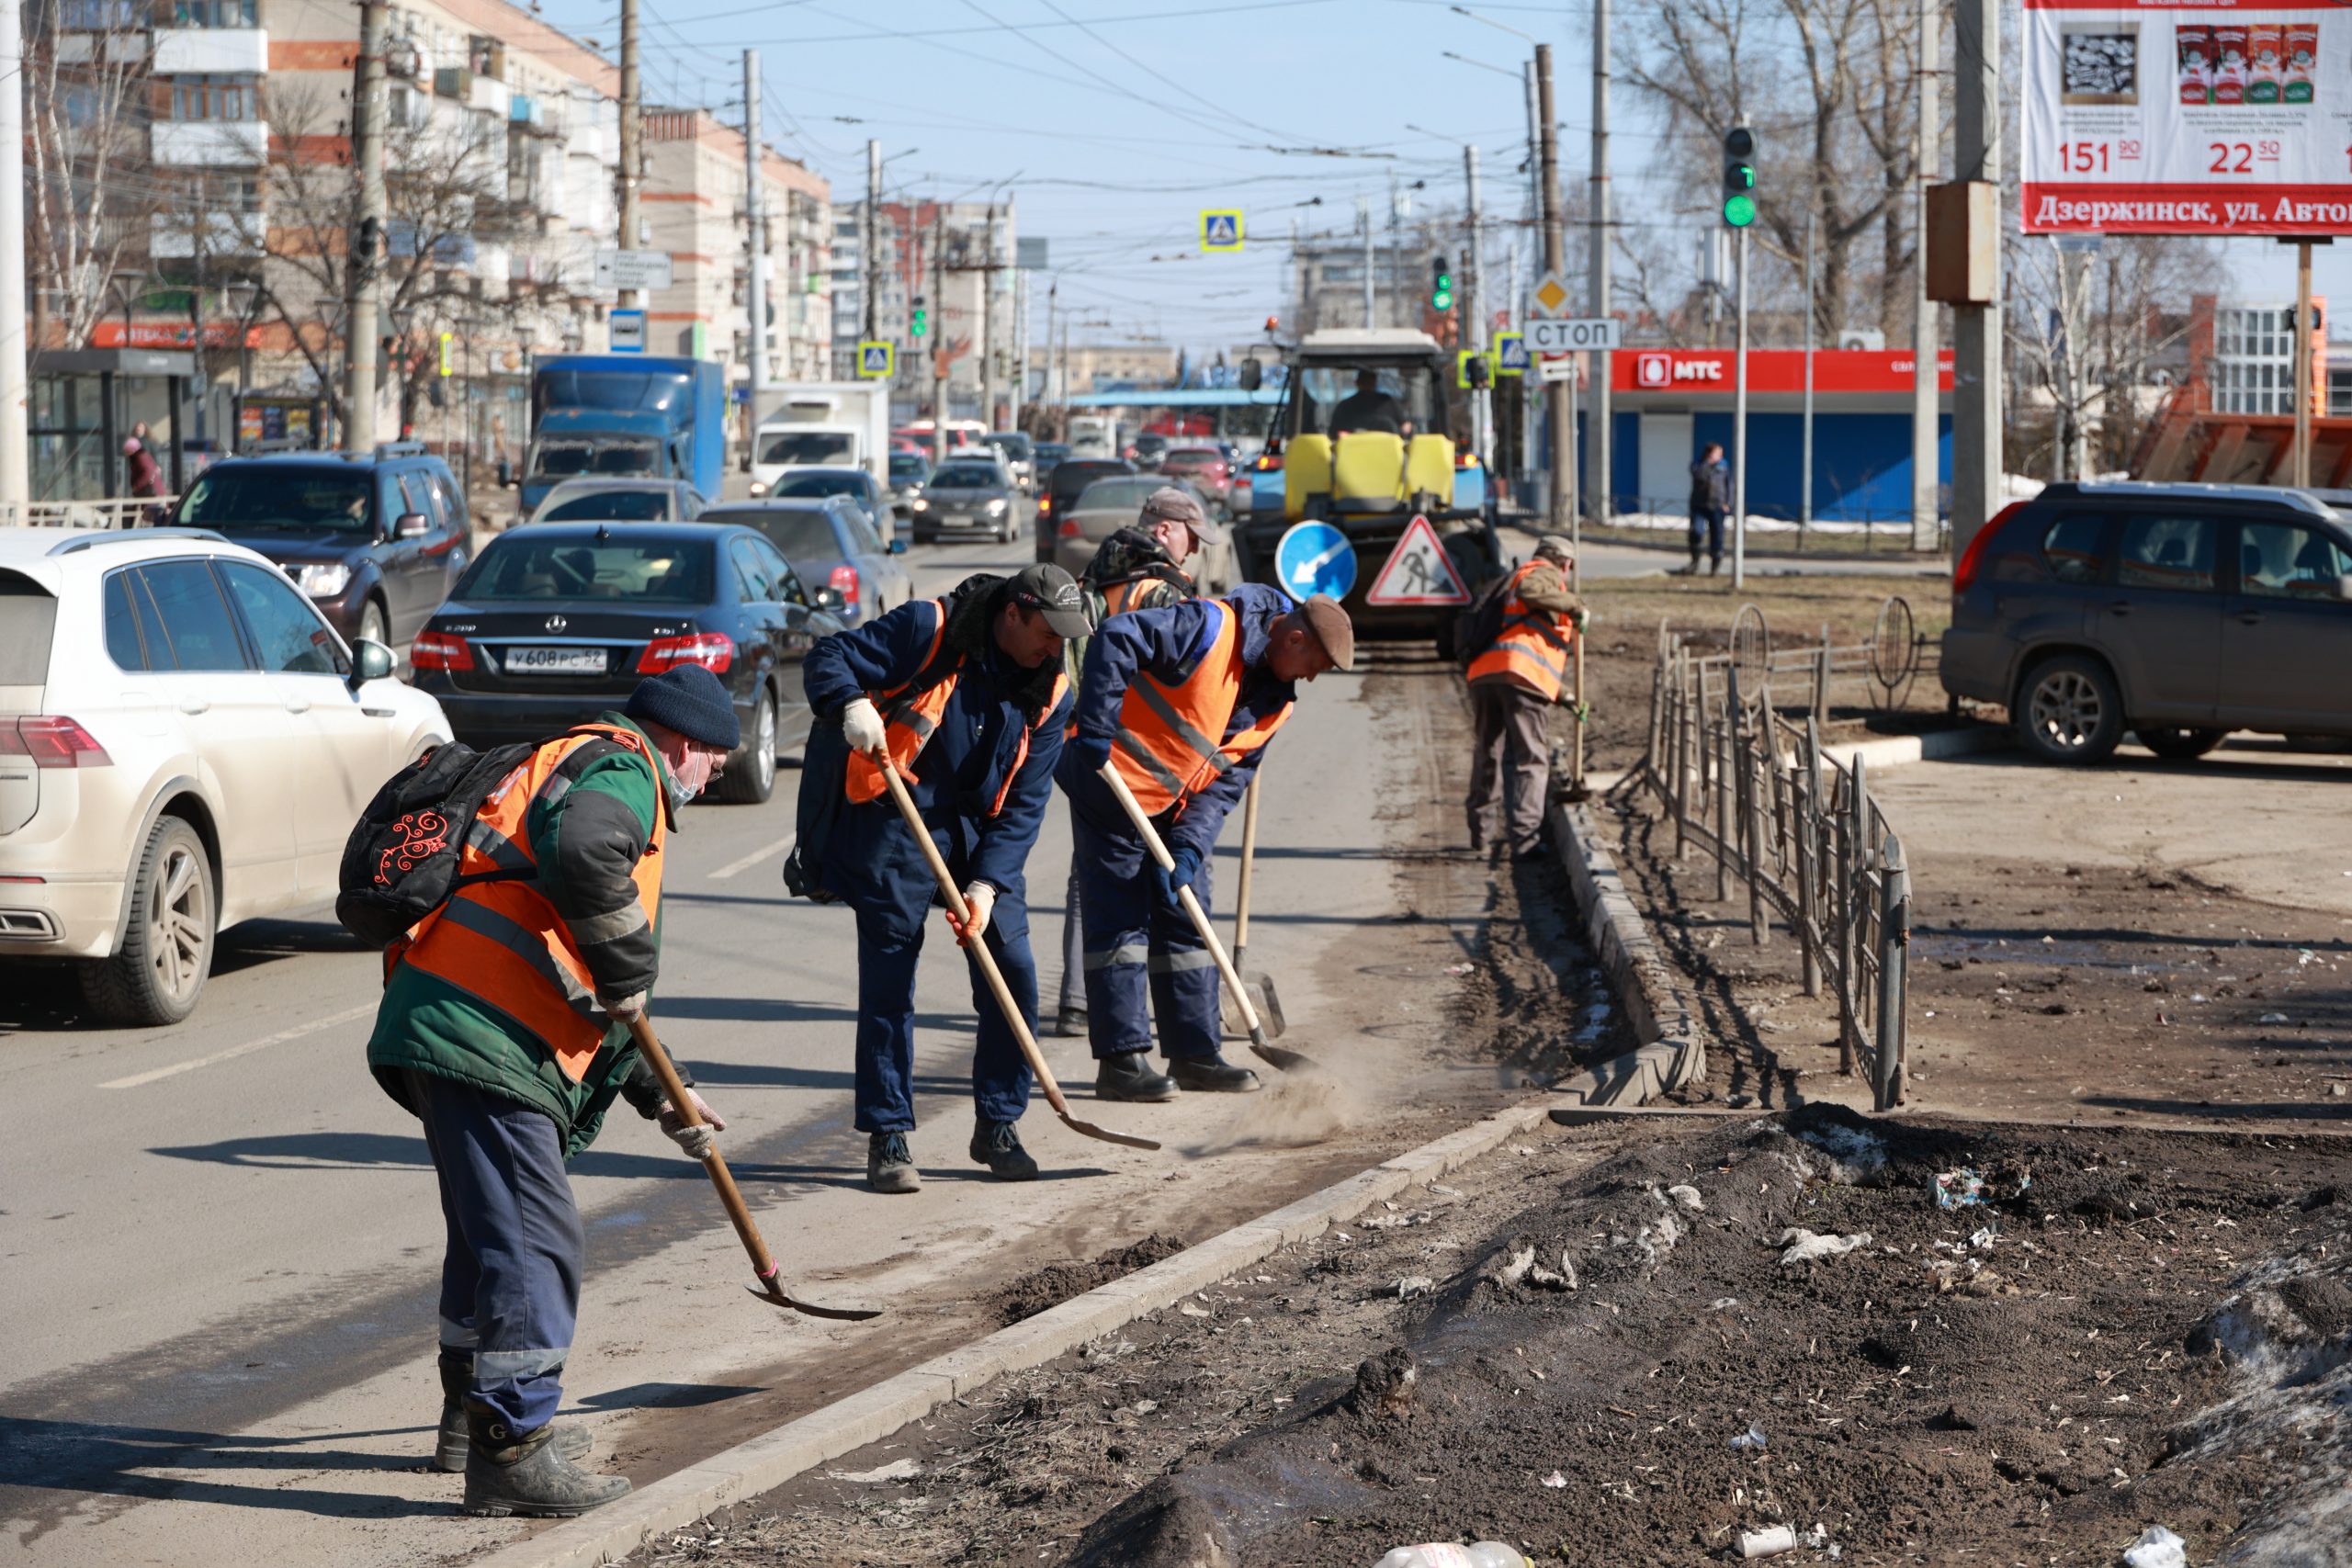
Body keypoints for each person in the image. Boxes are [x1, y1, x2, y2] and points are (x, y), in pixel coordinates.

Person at [364, 665, 740, 1517]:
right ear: (682, 741)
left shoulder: (571, 758)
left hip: (450, 1019)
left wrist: (663, 1090)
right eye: (715, 759)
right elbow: (584, 855)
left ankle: (473, 1423)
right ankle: (515, 1452)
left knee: (487, 1237)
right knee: (537, 1242)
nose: (715, 776)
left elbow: (582, 984)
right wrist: (630, 963)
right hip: (480, 1032)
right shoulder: (623, 768)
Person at [799, 564, 1089, 1194]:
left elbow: (1026, 804)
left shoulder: (1054, 688)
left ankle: (1000, 1121)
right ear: (1012, 614)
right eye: (1047, 631)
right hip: (900, 813)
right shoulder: (929, 628)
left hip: (979, 830)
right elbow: (829, 655)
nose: (1054, 647)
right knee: (889, 977)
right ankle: (889, 1134)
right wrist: (851, 703)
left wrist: (987, 885)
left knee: (1011, 967)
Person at [1058, 589, 1353, 1098]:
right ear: (1295, 637)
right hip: (1109, 782)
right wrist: (1097, 729)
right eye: (1316, 664)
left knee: (1188, 915)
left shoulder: (1274, 706)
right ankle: (1122, 1062)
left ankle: (1195, 1053)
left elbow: (1223, 787)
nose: (1311, 677)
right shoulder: (1210, 627)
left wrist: (1191, 846)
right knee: (1121, 920)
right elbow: (1116, 636)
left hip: (1172, 806)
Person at [1053, 486, 1227, 1049]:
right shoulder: (1160, 593)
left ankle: (1077, 1003)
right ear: (1163, 531)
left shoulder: (1097, 582)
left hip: (1085, 743)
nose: (1193, 552)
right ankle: (1181, 1019)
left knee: (1090, 879)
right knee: (1163, 882)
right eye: (1190, 538)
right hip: (1141, 753)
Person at [1465, 535, 1585, 860]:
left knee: (1488, 751)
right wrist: (1575, 606)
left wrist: (1565, 695)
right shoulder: (1543, 573)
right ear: (1565, 563)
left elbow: (1523, 638)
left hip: (1485, 673)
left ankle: (1480, 832)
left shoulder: (1507, 580)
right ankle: (1526, 840)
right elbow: (1532, 594)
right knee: (1530, 759)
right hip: (1519, 677)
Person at [1329, 368, 1412, 441]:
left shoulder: (1344, 406)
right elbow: (1406, 426)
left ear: (1357, 382)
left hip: (1353, 455)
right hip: (1387, 454)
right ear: (1375, 381)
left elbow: (1333, 434)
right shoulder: (1388, 401)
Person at [1688, 442, 1731, 576]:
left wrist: (1728, 503)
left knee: (1717, 536)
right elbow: (1698, 476)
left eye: (1720, 453)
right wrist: (1708, 462)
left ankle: (1715, 568)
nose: (1720, 456)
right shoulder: (1698, 465)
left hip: (1717, 506)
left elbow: (1730, 485)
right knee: (1696, 531)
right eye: (1717, 452)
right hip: (1700, 505)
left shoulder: (1723, 467)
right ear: (1708, 453)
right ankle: (1695, 562)